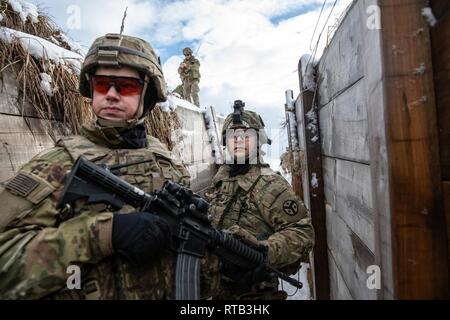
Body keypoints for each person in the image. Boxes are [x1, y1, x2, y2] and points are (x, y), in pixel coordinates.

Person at [0, 33, 197, 299]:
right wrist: (103, 235)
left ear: (148, 94)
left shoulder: (168, 165)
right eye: (103, 85)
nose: (112, 96)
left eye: (126, 87)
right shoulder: (57, 164)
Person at [202, 101, 315, 300]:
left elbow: (302, 232)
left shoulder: (269, 183)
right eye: (232, 136)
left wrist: (265, 251)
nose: (238, 140)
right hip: (218, 290)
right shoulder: (221, 178)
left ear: (258, 141)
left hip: (254, 293)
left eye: (246, 136)